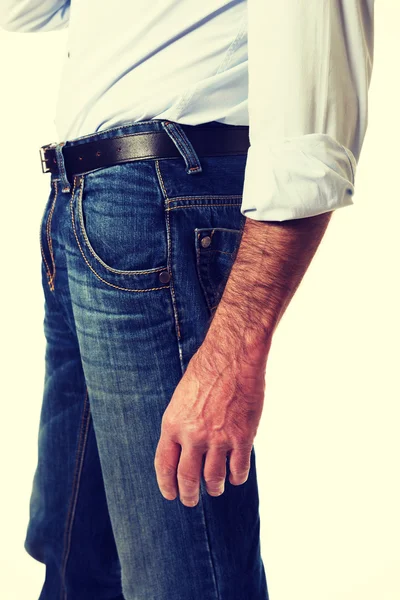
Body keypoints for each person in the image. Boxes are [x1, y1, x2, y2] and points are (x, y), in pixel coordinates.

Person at [1, 1, 375, 599]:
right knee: (76, 561)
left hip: (162, 205)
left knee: (181, 574)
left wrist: (234, 353)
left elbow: (313, 134)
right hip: (82, 205)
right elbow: (26, 11)